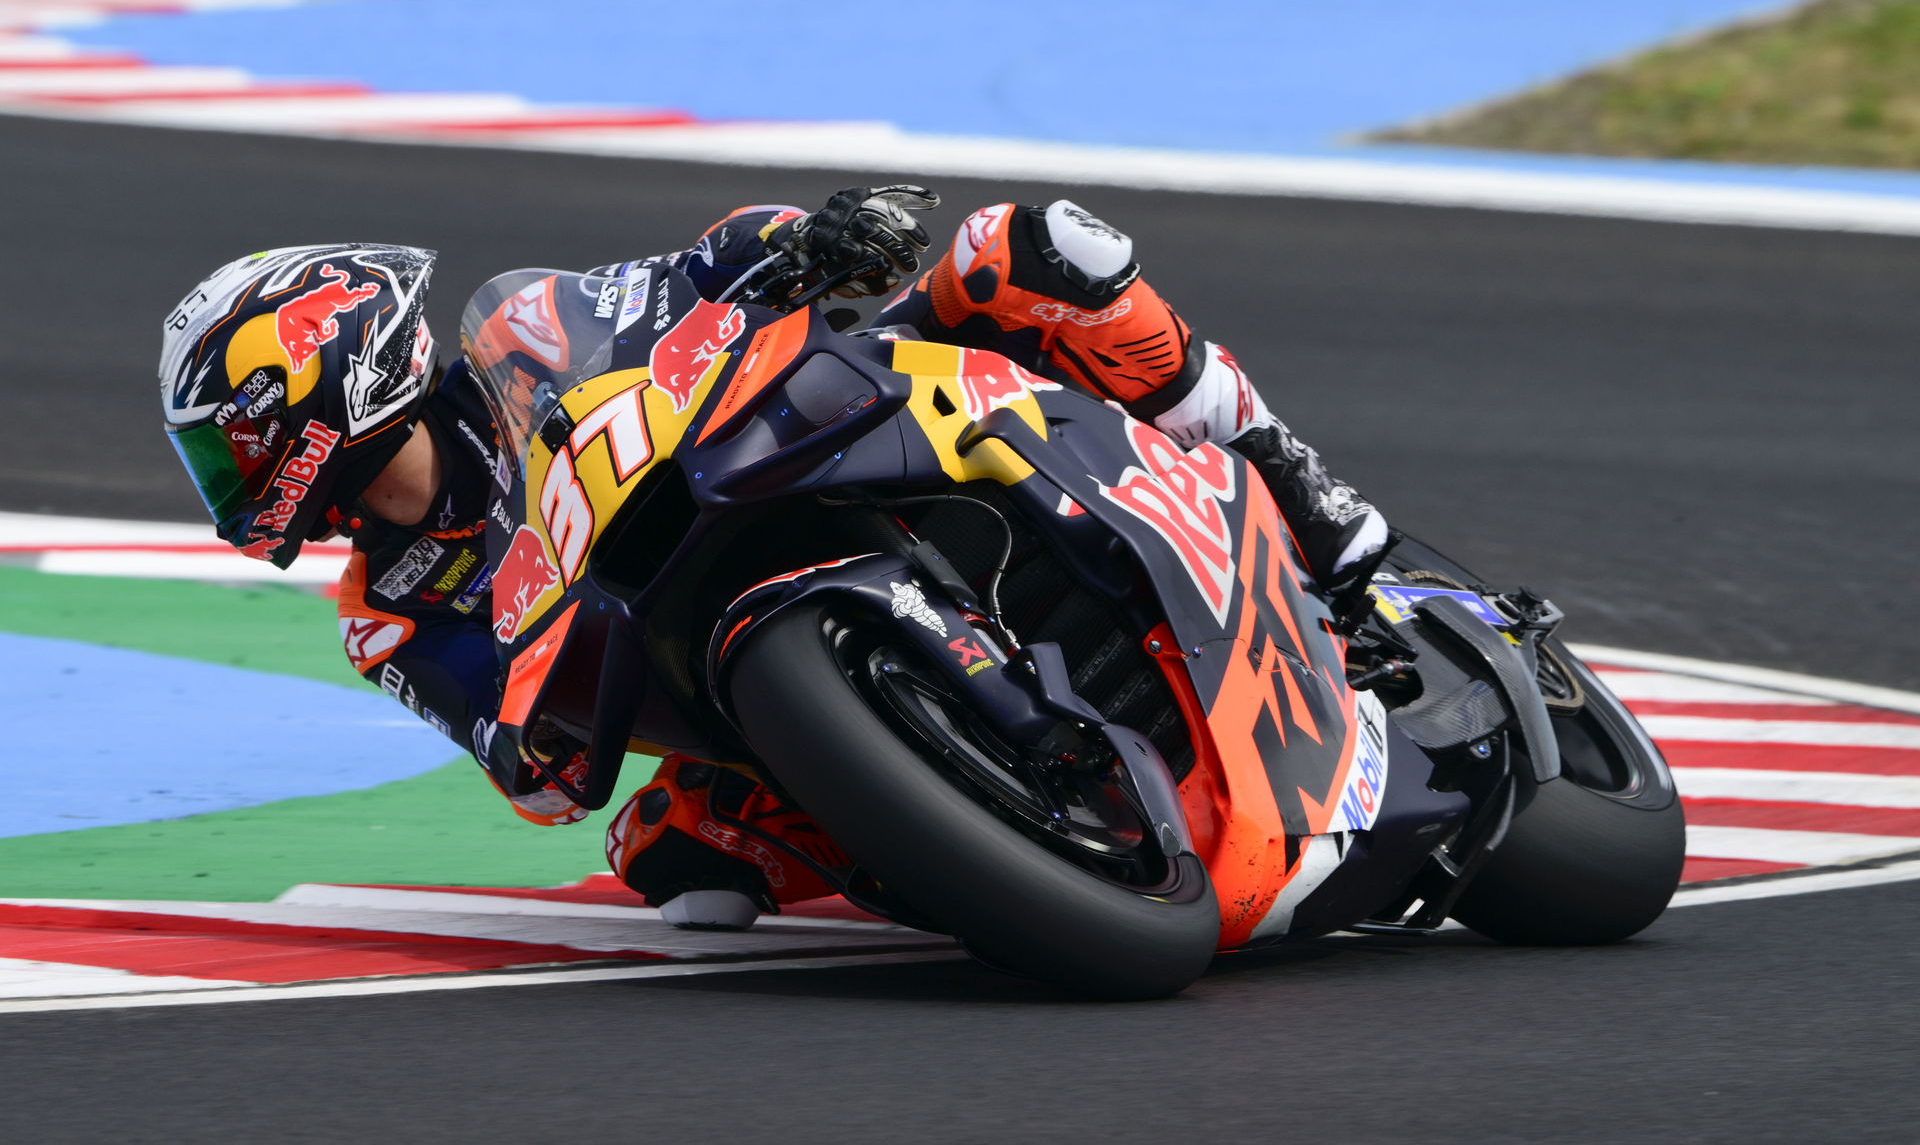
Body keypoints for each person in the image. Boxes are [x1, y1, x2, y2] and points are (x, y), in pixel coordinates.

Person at [159, 186, 1387, 930]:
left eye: (231, 447)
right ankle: (983, 826)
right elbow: (530, 775)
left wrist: (813, 241)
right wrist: (526, 727)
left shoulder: (519, 333)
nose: (232, 486)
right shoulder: (385, 612)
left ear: (316, 376)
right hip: (695, 659)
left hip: (777, 453)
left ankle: (1296, 483)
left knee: (1026, 251)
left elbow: (680, 278)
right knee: (671, 856)